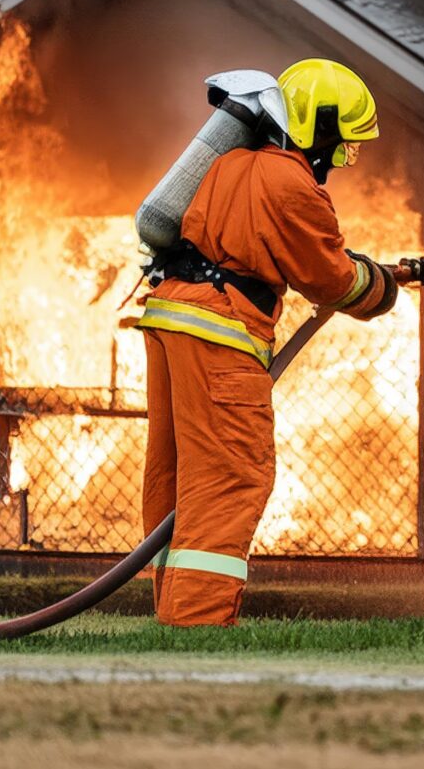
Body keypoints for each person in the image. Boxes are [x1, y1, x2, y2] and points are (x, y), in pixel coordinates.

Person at [135, 58, 400, 626]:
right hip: (219, 332)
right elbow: (331, 281)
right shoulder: (292, 185)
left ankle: (174, 608)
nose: (341, 158)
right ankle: (197, 621)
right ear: (319, 130)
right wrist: (381, 287)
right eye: (342, 143)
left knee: (177, 474)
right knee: (232, 474)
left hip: (171, 318)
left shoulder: (230, 163)